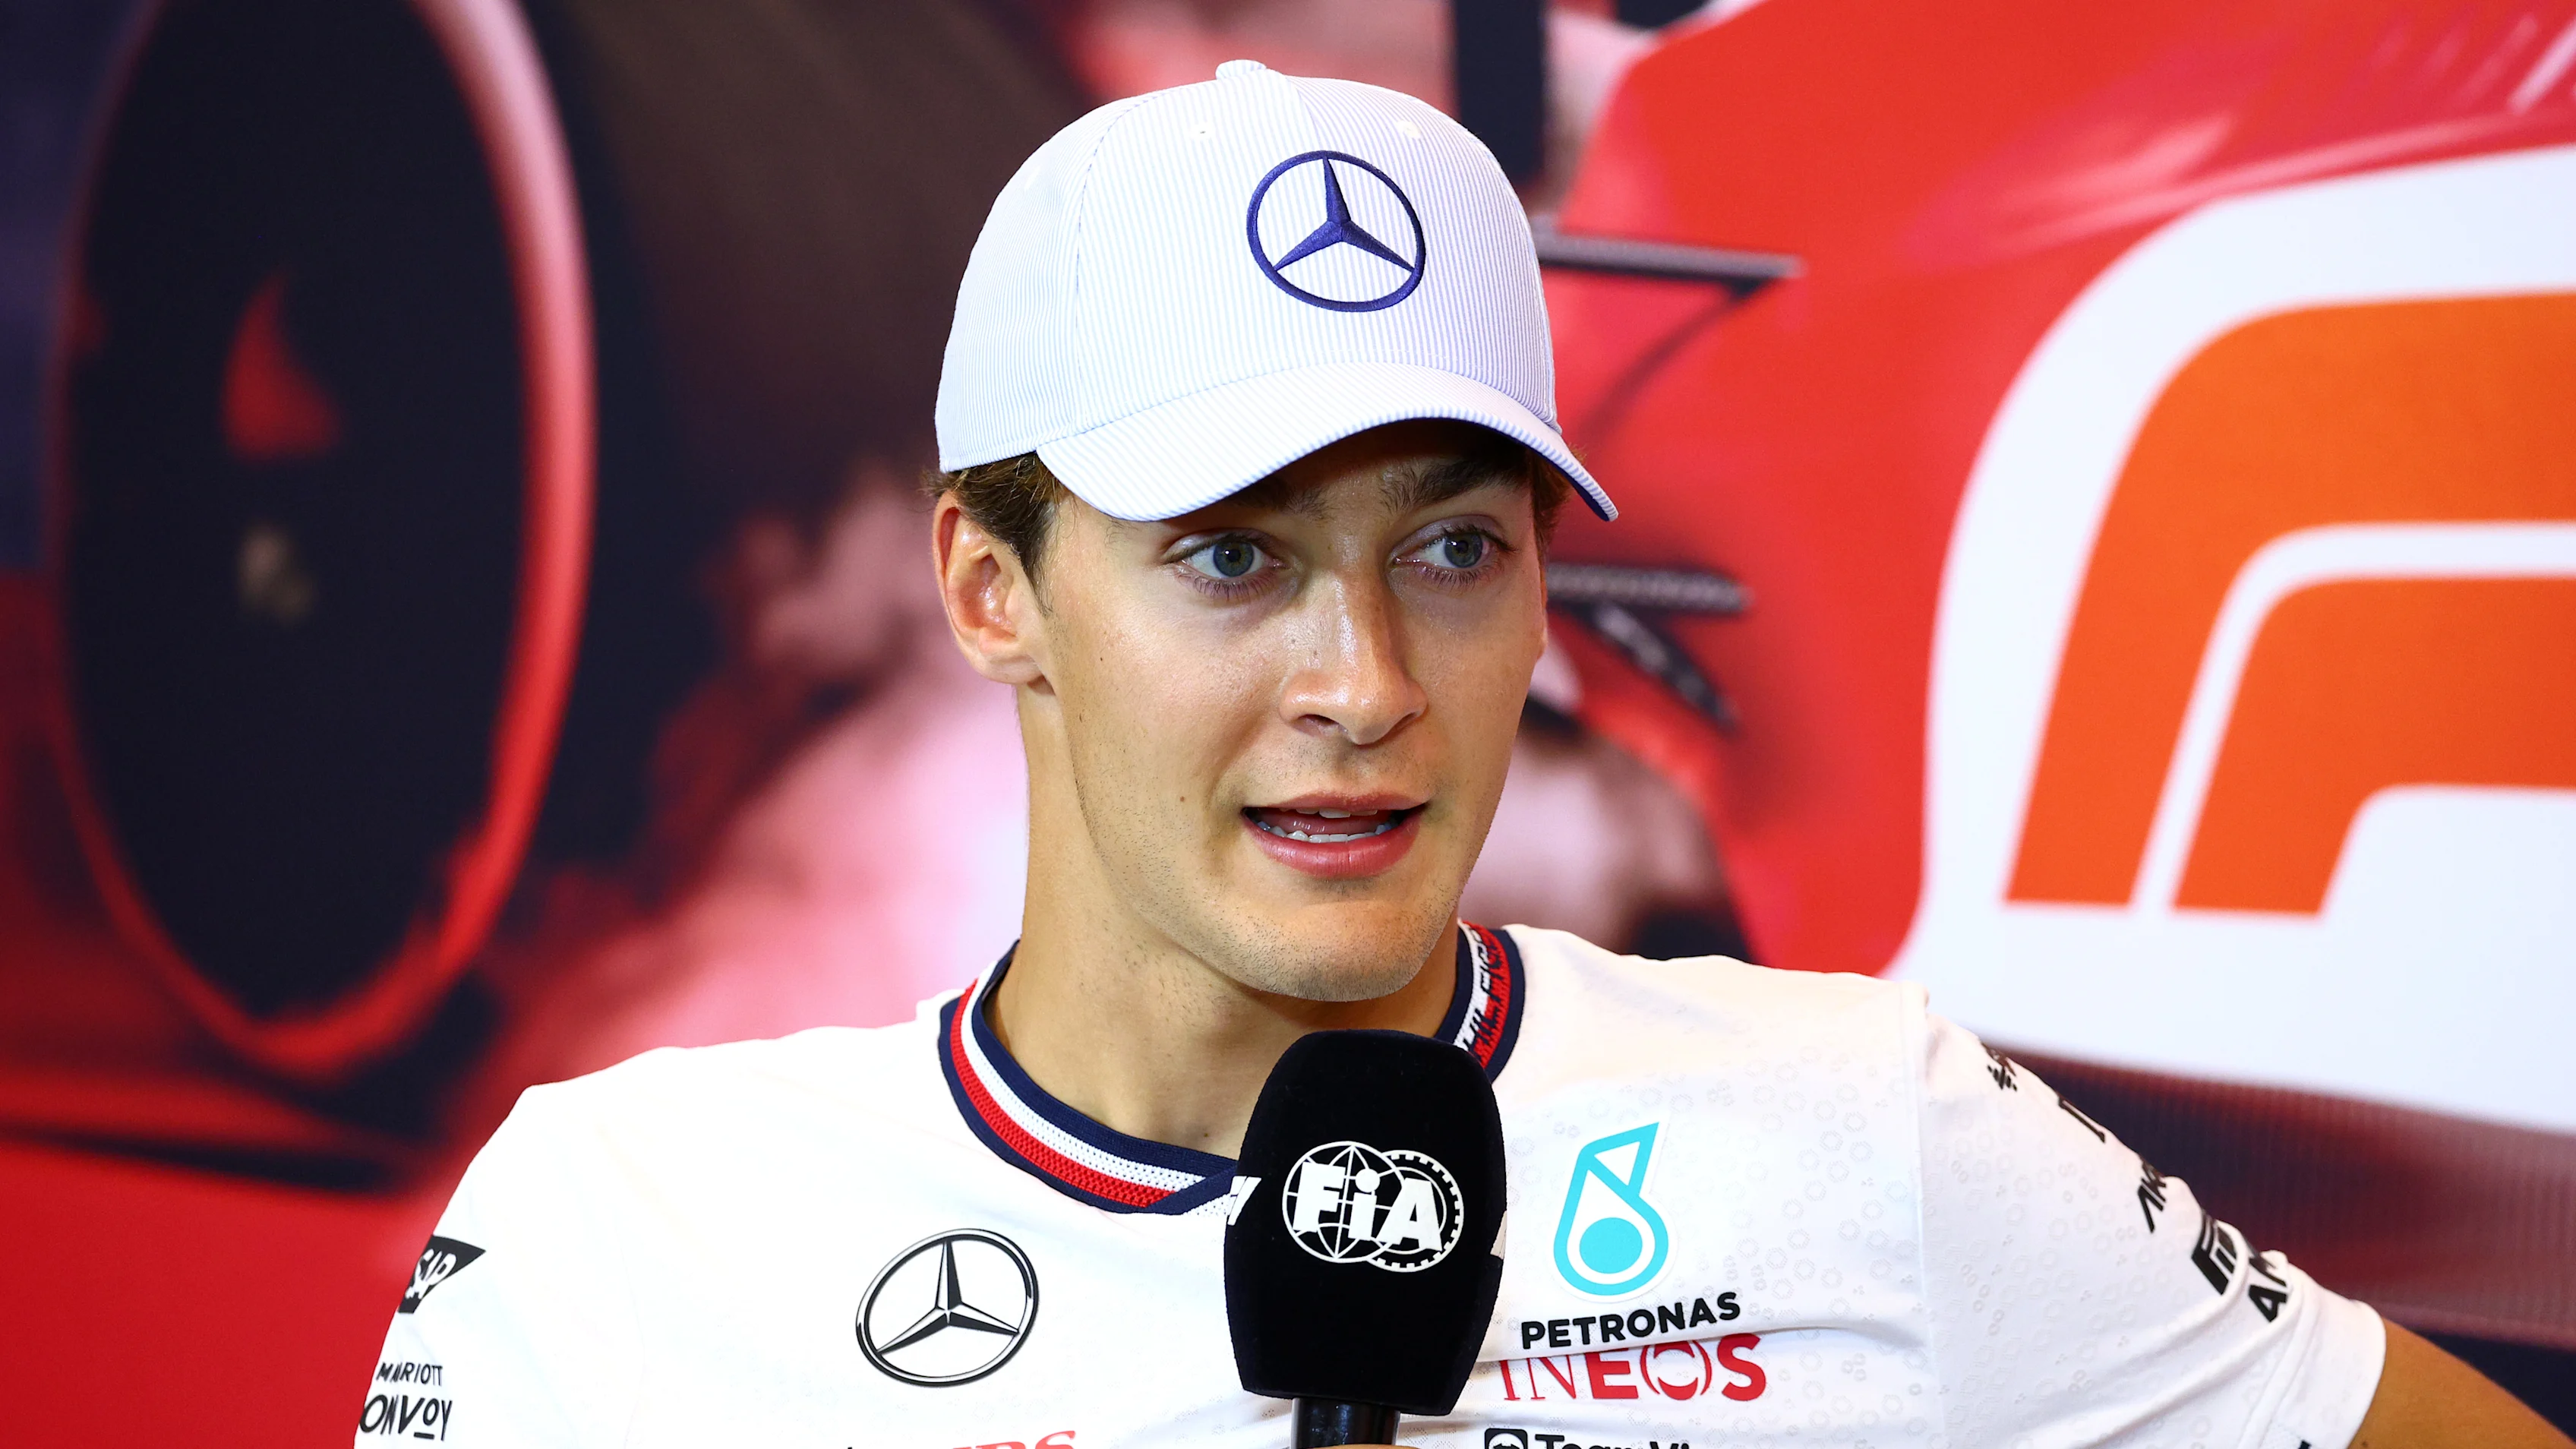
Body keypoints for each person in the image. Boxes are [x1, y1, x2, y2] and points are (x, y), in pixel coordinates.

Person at [355, 61, 2568, 1449]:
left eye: (1451, 546)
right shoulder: (611, 1231)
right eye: (1232, 555)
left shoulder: (1863, 1133)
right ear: (991, 583)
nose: (1366, 680)